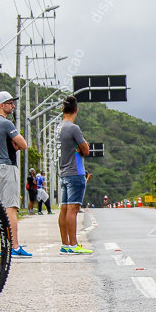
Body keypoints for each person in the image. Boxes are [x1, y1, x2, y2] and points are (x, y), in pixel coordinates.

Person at [0, 91, 31, 258]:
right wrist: (15, 146)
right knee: (11, 207)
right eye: (10, 103)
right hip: (7, 166)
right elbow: (23, 144)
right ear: (1, 105)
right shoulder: (6, 123)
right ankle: (15, 246)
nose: (13, 106)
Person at [57, 95, 92, 254]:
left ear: (62, 109)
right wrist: (81, 147)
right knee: (74, 209)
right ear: (76, 110)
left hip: (63, 172)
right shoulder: (73, 128)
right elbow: (86, 150)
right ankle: (74, 244)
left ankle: (65, 243)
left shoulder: (59, 127)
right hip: (75, 172)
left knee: (64, 209)